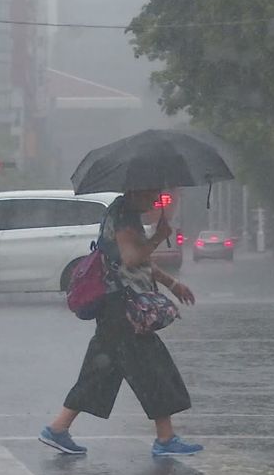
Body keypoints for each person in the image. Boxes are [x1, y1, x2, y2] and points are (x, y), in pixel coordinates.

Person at [39, 189, 203, 456]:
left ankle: (58, 428)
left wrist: (173, 284)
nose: (155, 200)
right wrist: (160, 237)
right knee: (153, 369)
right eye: (151, 193)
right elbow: (131, 258)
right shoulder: (125, 215)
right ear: (138, 189)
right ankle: (165, 439)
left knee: (101, 371)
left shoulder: (123, 213)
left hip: (116, 307)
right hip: (123, 309)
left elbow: (137, 263)